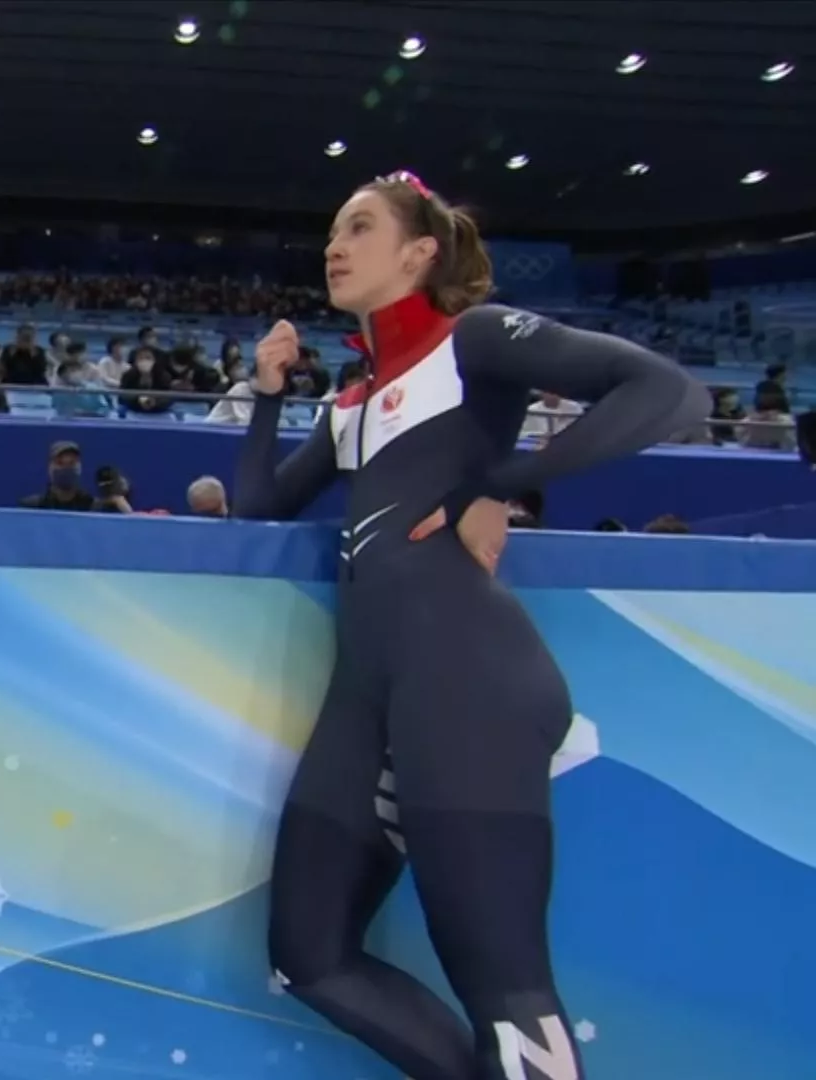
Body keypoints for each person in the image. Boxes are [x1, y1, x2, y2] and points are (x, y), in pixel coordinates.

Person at [233, 171, 708, 1080]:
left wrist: (501, 484)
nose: (335, 245)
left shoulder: (474, 344)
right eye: (331, 230)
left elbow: (665, 392)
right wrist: (265, 392)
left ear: (419, 253)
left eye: (360, 228)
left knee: (508, 995)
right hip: (373, 696)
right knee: (309, 955)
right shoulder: (353, 406)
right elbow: (252, 503)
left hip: (470, 684)